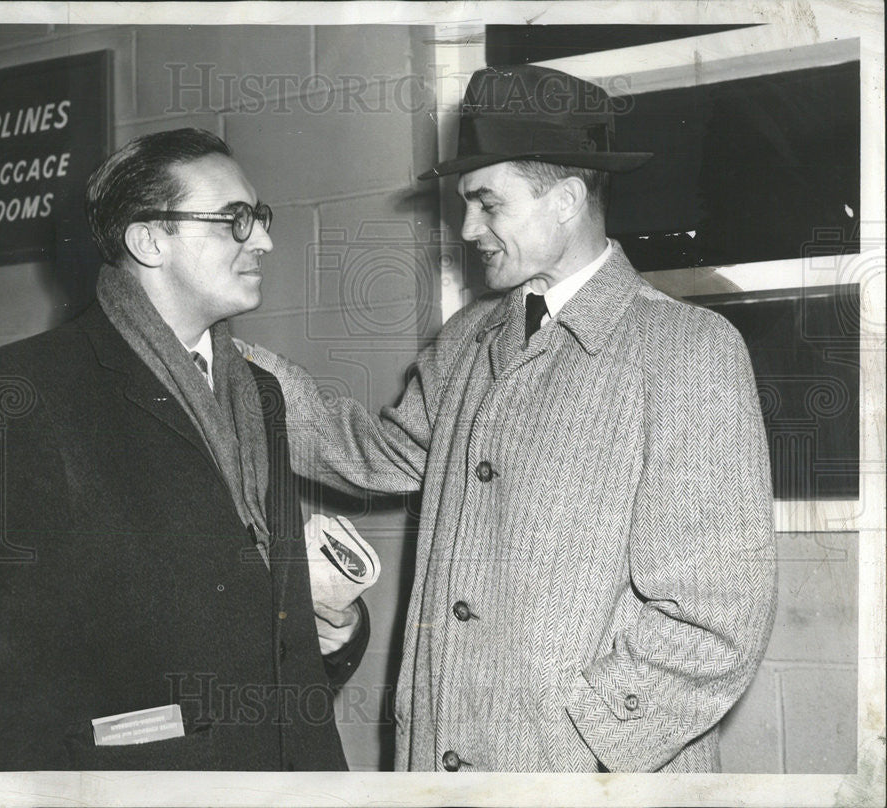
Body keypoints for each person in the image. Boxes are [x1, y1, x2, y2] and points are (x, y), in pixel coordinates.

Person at [241, 65, 777, 772]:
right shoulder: (470, 338)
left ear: (565, 199)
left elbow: (717, 616)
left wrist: (582, 742)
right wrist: (238, 367)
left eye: (488, 204)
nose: (467, 229)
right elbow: (378, 453)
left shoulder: (686, 350)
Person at [0, 128, 367, 770]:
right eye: (236, 219)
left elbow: (267, 613)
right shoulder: (18, 394)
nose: (263, 239)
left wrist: (338, 634)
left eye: (259, 218)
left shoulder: (259, 392)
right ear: (148, 239)